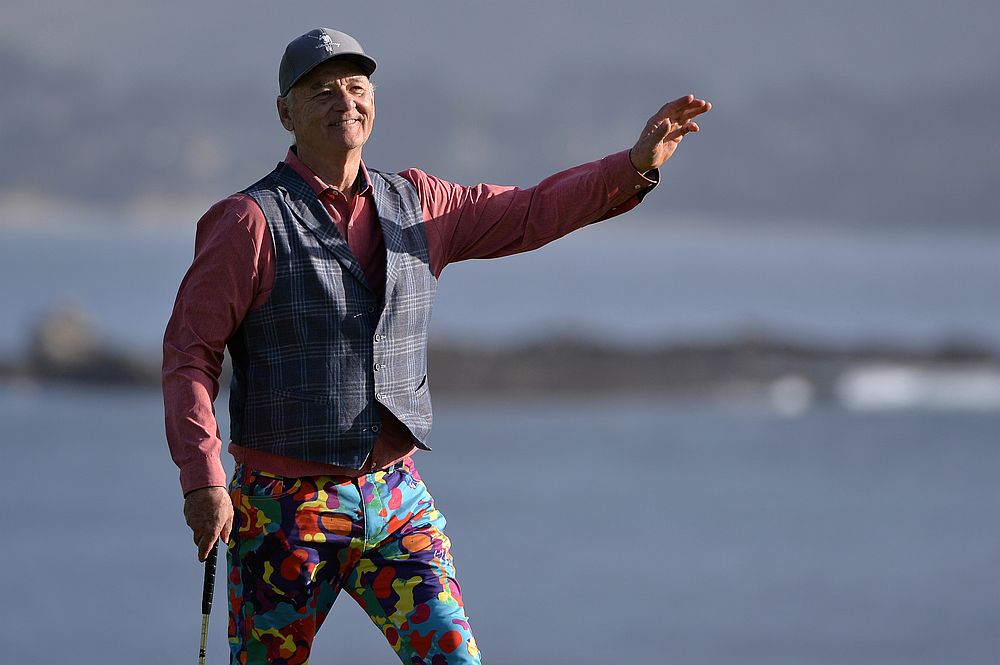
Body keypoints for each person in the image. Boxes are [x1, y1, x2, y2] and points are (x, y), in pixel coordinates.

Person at [163, 26, 710, 665]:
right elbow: (190, 355)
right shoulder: (247, 221)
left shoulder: (419, 202)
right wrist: (203, 481)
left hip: (395, 497)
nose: (345, 99)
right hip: (284, 508)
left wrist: (633, 166)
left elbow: (533, 210)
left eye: (357, 85)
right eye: (321, 91)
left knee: (454, 657)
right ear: (285, 112)